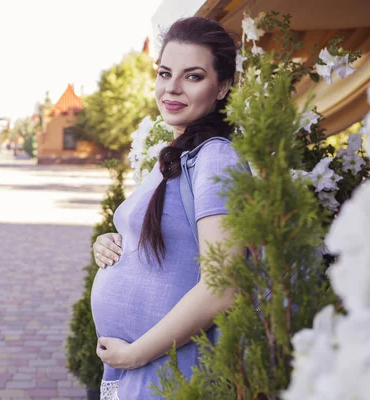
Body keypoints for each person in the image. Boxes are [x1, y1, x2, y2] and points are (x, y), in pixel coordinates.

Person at [90, 16, 244, 399]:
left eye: (192, 76)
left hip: (169, 369)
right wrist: (115, 243)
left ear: (222, 86)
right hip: (148, 368)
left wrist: (136, 354)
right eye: (164, 73)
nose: (171, 88)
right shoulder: (180, 155)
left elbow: (222, 285)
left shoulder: (216, 158)